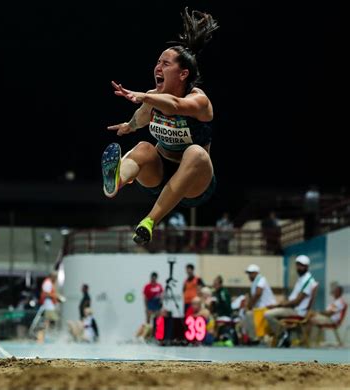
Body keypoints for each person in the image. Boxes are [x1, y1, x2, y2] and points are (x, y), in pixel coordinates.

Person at [101, 8, 219, 245]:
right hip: (159, 174)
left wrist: (144, 96)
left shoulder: (199, 101)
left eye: (165, 64)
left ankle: (149, 221)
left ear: (183, 74)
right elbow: (141, 119)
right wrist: (128, 126)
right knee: (144, 146)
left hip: (194, 183)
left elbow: (175, 104)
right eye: (157, 62)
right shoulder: (152, 99)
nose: (158, 67)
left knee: (195, 152)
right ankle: (116, 182)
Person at [264, 255, 317, 347]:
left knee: (268, 314)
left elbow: (296, 302)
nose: (299, 268)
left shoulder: (308, 281)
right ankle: (284, 335)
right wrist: (278, 304)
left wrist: (278, 305)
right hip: (293, 309)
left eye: (301, 265)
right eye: (298, 265)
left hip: (297, 311)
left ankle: (282, 334)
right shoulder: (301, 279)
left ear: (307, 267)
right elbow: (291, 299)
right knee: (269, 311)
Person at [241, 264, 276, 343]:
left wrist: (249, 306)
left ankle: (254, 338)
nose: (249, 276)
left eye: (250, 273)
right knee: (246, 314)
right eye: (248, 274)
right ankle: (253, 337)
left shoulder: (261, 279)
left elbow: (258, 294)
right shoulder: (255, 283)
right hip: (260, 308)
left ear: (255, 273)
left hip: (267, 307)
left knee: (249, 314)